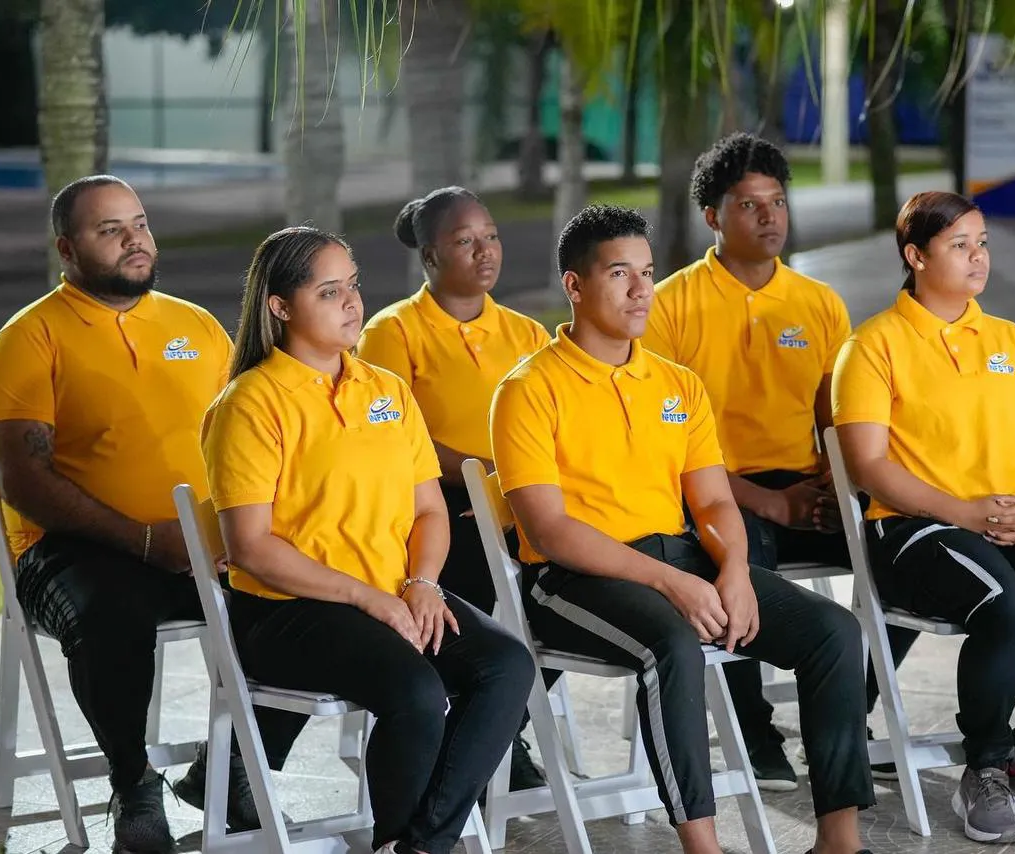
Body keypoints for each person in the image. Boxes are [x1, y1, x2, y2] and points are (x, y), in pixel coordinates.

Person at [490, 204, 875, 854]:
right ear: (575, 286)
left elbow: (715, 502)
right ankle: (703, 846)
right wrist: (673, 584)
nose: (642, 290)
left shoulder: (677, 385)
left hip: (681, 559)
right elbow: (550, 530)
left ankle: (839, 840)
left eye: (646, 272)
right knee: (672, 643)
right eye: (620, 274)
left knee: (834, 632)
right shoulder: (528, 389)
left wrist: (734, 573)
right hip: (575, 579)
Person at [201, 226, 536, 854]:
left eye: (352, 286)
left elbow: (429, 510)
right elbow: (251, 547)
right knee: (416, 692)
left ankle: (419, 845)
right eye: (329, 292)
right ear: (280, 306)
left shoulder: (386, 390)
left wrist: (423, 584)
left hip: (395, 594)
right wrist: (369, 598)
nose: (352, 302)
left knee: (506, 665)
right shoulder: (249, 404)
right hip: (287, 612)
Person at [0, 175, 277, 853]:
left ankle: (228, 766)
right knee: (113, 612)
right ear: (66, 248)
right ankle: (134, 782)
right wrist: (144, 541)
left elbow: (250, 438)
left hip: (201, 542)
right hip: (69, 551)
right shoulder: (28, 340)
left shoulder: (196, 327)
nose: (134, 239)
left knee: (298, 597)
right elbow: (24, 480)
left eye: (139, 223)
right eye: (110, 230)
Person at [832, 191, 1015, 844]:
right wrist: (963, 511)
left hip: (1010, 519)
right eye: (959, 245)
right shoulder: (873, 345)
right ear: (916, 256)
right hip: (914, 529)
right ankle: (985, 769)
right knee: (1003, 605)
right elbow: (869, 466)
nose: (978, 257)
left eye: (982, 242)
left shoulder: (1009, 341)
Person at [643, 131, 916, 788]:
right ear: (712, 216)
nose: (770, 217)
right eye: (749, 205)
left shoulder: (818, 302)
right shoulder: (669, 307)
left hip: (801, 485)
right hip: (712, 490)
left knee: (907, 551)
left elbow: (832, 417)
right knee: (738, 565)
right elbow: (662, 444)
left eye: (778, 202)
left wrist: (834, 486)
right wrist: (767, 501)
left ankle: (848, 708)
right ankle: (753, 731)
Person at [357, 187, 552, 792]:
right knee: (483, 577)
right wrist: (483, 476)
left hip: (516, 501)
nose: (484, 251)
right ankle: (483, 732)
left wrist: (512, 484)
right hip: (435, 504)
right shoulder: (393, 331)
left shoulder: (526, 333)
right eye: (465, 241)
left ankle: (497, 729)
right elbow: (394, 438)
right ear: (430, 256)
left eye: (490, 236)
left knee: (571, 593)